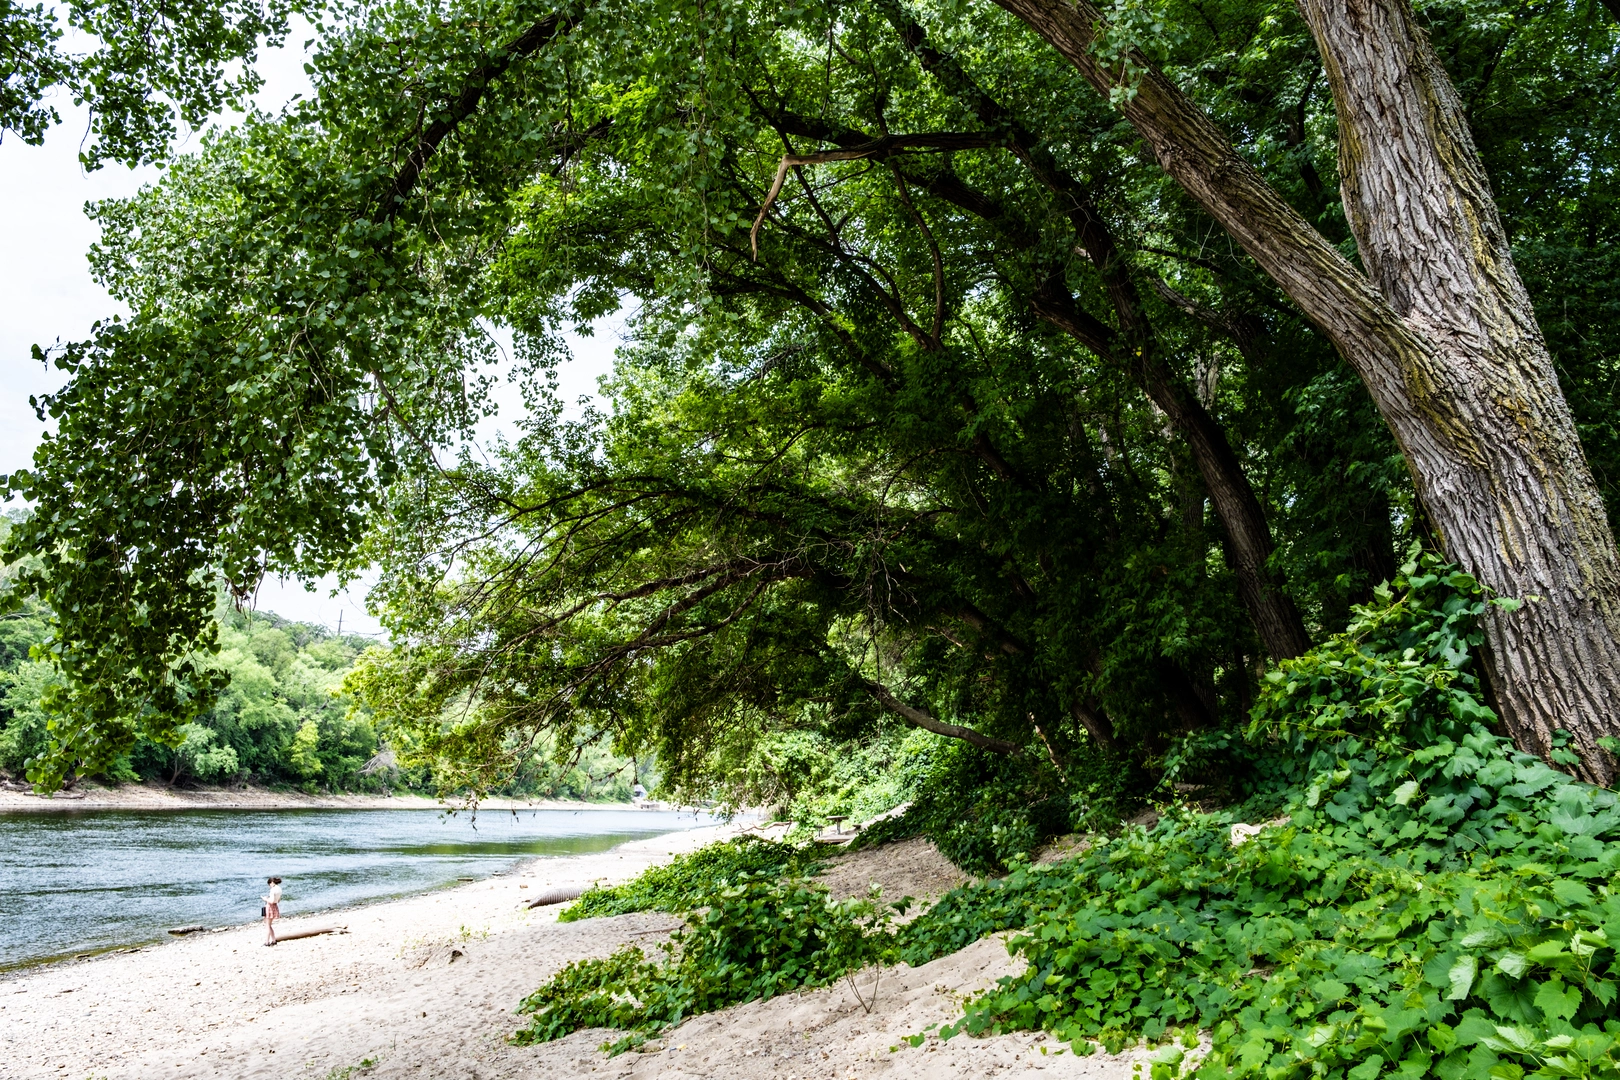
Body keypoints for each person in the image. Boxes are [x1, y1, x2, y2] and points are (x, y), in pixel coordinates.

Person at [262, 877, 282, 946]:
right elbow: (278, 900)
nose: (269, 886)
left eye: (269, 884)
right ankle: (273, 940)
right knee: (269, 925)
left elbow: (271, 901)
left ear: (272, 883)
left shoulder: (273, 890)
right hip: (275, 907)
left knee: (267, 925)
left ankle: (267, 942)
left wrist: (265, 899)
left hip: (270, 907)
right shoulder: (279, 889)